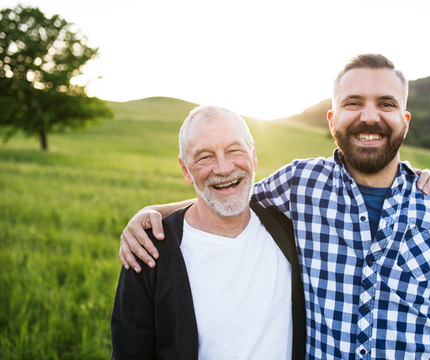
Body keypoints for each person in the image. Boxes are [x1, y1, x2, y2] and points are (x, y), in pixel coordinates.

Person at [119, 54, 430, 359]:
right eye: (353, 103)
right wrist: (152, 211)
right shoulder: (301, 183)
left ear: (405, 119)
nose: (369, 117)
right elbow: (230, 194)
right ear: (333, 119)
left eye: (385, 104)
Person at [111, 105, 306, 359]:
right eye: (204, 157)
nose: (223, 168)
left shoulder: (290, 229)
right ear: (185, 170)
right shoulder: (149, 251)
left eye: (234, 150)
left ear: (253, 156)